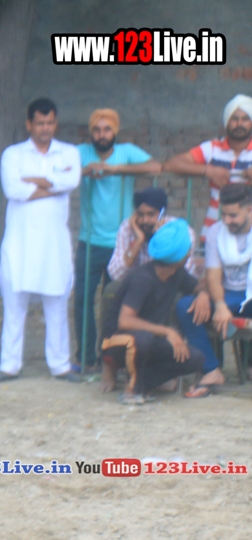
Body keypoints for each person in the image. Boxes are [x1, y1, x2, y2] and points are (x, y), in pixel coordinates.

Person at [0, 98, 82, 384]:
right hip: (19, 241)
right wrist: (54, 183)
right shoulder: (13, 154)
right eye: (40, 123)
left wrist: (33, 179)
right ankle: (9, 365)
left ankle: (60, 365)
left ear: (56, 124)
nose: (45, 128)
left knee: (57, 303)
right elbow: (12, 189)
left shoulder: (69, 152)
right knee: (14, 304)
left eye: (50, 123)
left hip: (54, 242)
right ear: (29, 124)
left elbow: (72, 182)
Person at [74, 108, 161, 371]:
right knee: (83, 300)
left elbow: (156, 167)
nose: (102, 134)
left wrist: (115, 169)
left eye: (107, 129)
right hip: (89, 240)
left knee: (115, 301)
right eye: (96, 130)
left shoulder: (126, 151)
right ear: (90, 132)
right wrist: (85, 171)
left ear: (115, 131)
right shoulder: (81, 152)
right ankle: (86, 358)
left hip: (121, 242)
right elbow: (59, 171)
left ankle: (110, 358)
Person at [101, 218, 205, 404]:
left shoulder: (176, 273)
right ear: (180, 256)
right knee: (143, 339)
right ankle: (131, 389)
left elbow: (198, 286)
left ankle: (140, 384)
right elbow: (125, 321)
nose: (190, 252)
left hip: (148, 341)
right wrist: (167, 332)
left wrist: (203, 294)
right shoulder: (142, 279)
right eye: (188, 249)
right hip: (117, 342)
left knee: (195, 358)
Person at [175, 183, 252, 397]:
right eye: (223, 215)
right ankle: (211, 370)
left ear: (250, 210)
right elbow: (213, 274)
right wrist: (218, 304)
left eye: (233, 215)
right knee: (186, 307)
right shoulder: (216, 232)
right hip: (229, 295)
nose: (227, 220)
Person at [164, 94, 252, 239]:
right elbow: (170, 165)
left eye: (245, 119)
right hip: (214, 228)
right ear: (227, 122)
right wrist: (207, 170)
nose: (239, 124)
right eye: (234, 119)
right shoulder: (212, 148)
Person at [106, 187, 200, 283]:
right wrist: (137, 243)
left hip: (171, 287)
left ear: (163, 214)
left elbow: (182, 276)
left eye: (151, 214)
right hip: (138, 285)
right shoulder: (128, 227)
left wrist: (162, 239)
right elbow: (115, 275)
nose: (145, 220)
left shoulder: (182, 232)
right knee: (112, 288)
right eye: (140, 215)